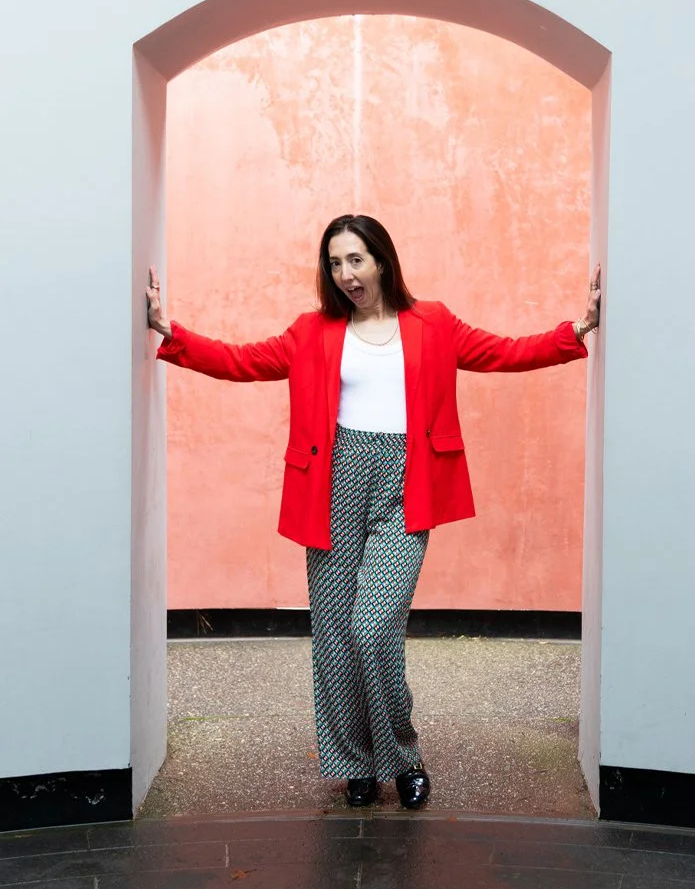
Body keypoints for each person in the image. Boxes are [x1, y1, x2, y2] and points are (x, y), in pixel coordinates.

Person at [147, 213, 601, 810]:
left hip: (406, 484)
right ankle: (354, 763)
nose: (345, 274)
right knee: (335, 632)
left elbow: (505, 352)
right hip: (331, 484)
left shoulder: (432, 323)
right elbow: (241, 360)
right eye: (335, 263)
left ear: (382, 261)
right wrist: (168, 329)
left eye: (356, 260)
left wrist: (578, 327)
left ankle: (403, 756)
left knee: (373, 623)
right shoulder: (311, 331)